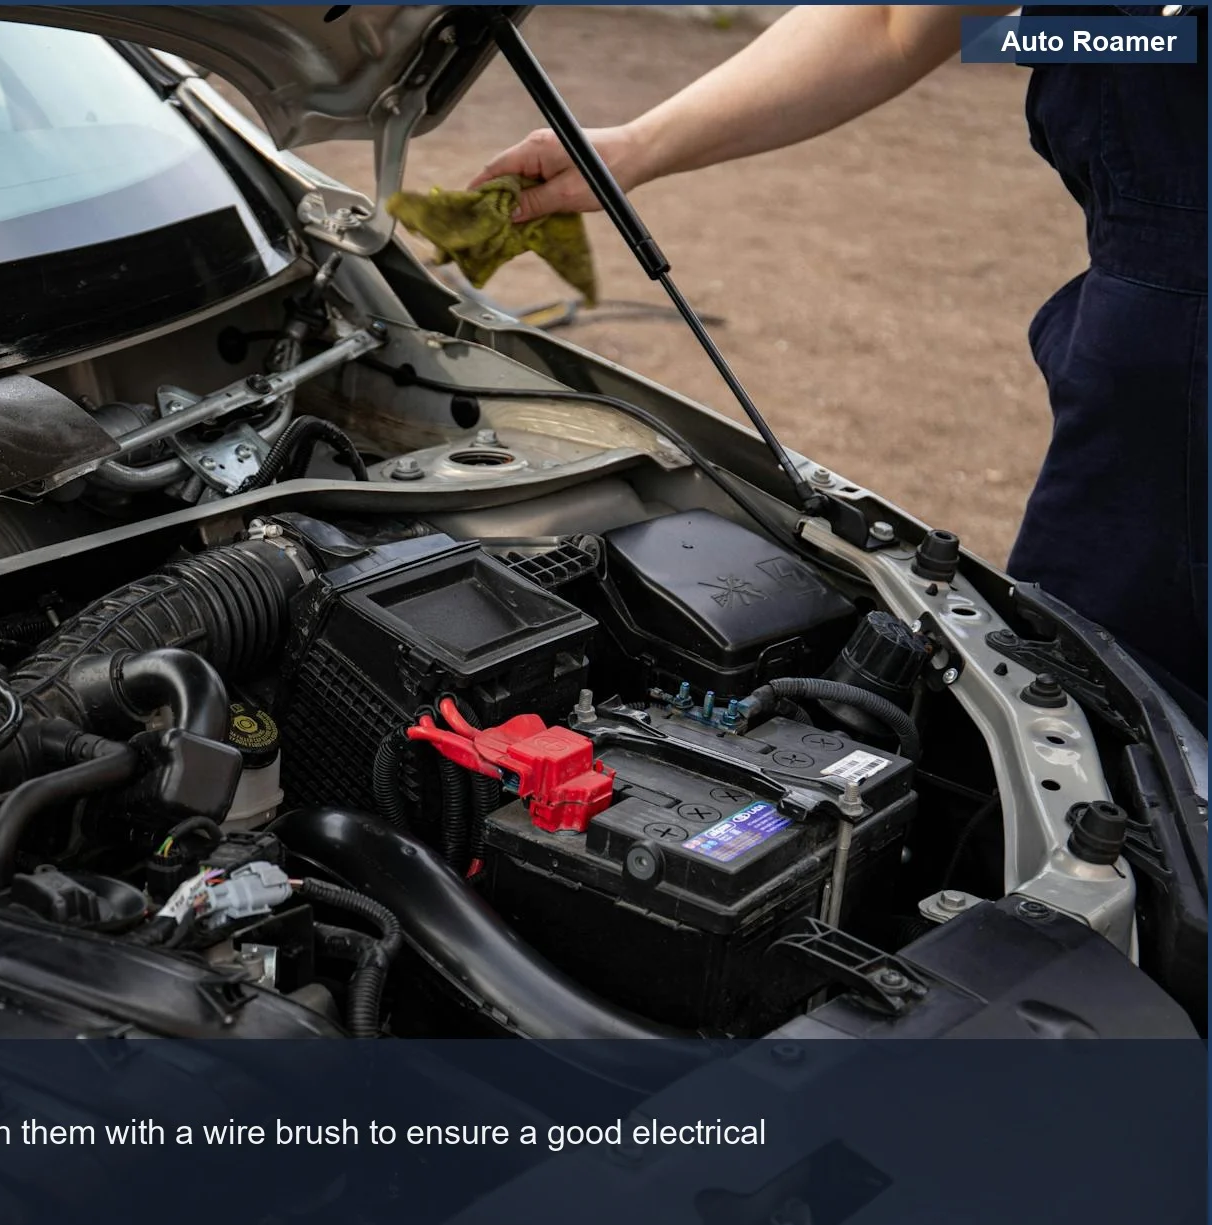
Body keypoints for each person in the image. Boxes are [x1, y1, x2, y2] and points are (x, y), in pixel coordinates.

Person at [474, 5, 1207, 717]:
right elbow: (896, 22)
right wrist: (628, 148)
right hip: (1146, 360)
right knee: (1096, 716)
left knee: (1122, 728)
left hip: (1171, 379)